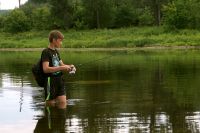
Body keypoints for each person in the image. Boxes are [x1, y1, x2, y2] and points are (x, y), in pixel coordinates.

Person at [41, 30, 76, 107]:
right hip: (51, 81)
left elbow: (62, 65)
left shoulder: (56, 51)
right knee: (49, 106)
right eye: (60, 41)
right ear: (54, 40)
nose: (61, 43)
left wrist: (70, 67)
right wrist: (62, 67)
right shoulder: (46, 52)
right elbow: (45, 69)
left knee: (63, 104)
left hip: (60, 80)